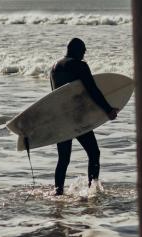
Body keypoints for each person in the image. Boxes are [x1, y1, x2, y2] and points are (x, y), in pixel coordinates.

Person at [50, 38, 117, 195]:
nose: (84, 54)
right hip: (76, 117)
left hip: (60, 118)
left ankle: (58, 191)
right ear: (77, 50)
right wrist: (108, 110)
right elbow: (92, 89)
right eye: (83, 51)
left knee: (63, 159)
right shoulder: (79, 65)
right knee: (94, 153)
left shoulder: (54, 67)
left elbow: (54, 96)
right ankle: (92, 189)